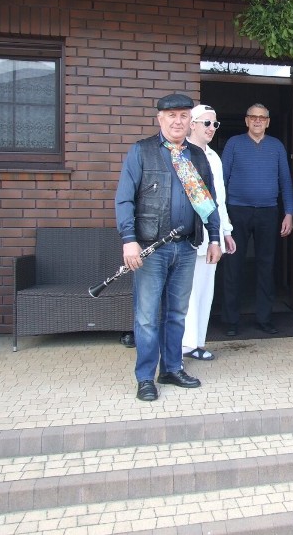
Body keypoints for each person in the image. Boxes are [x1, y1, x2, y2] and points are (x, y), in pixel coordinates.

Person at [115, 93, 222, 402]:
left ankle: (172, 368)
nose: (178, 121)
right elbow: (124, 199)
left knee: (176, 314)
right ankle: (145, 377)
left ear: (190, 121)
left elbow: (208, 202)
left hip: (186, 247)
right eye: (171, 115)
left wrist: (214, 237)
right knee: (147, 316)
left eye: (183, 116)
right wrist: (128, 240)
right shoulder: (142, 152)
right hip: (150, 248)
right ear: (160, 119)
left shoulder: (197, 156)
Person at [221, 103, 293, 336]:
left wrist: (289, 213)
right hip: (236, 210)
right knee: (233, 266)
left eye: (262, 118)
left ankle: (264, 318)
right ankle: (230, 321)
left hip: (268, 211)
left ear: (268, 122)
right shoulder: (234, 144)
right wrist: (221, 216)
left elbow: (285, 181)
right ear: (246, 120)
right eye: (253, 117)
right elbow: (221, 180)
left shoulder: (276, 146)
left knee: (266, 265)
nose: (257, 121)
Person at [182, 105, 236, 361]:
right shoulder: (181, 154)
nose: (212, 129)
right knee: (187, 291)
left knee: (205, 289)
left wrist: (226, 231)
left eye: (215, 125)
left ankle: (197, 343)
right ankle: (183, 344)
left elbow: (220, 200)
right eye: (207, 123)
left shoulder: (214, 157)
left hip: (212, 235)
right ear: (192, 124)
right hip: (188, 235)